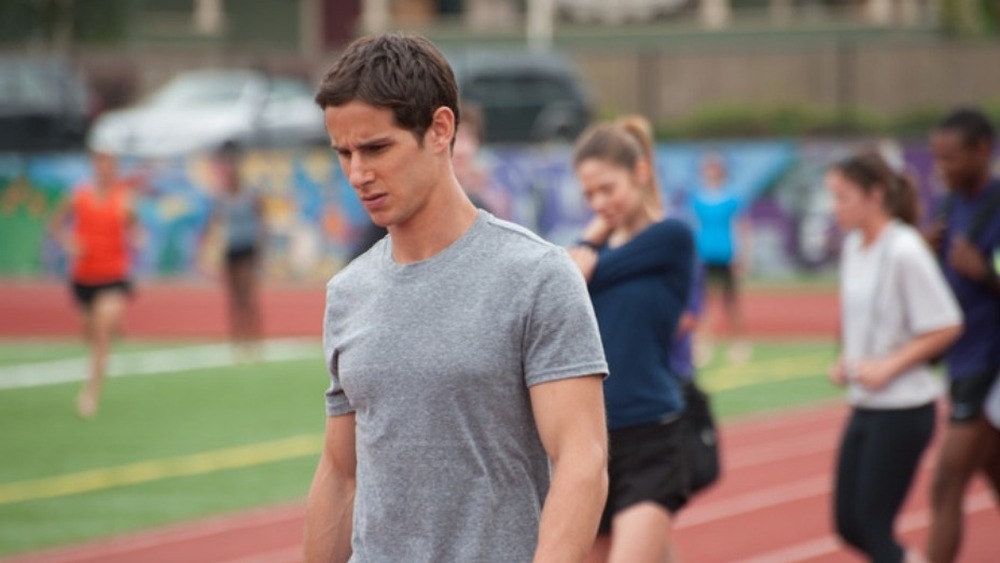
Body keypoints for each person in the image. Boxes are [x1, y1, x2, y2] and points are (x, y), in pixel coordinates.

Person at [303, 32, 610, 563]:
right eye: (344, 153)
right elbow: (339, 473)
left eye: (376, 148)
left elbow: (582, 461)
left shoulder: (537, 276)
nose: (358, 174)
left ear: (441, 129)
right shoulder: (347, 293)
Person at [825, 150, 962, 563]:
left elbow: (947, 324)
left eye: (844, 197)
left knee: (872, 525)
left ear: (875, 195)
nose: (836, 209)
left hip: (905, 407)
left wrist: (888, 366)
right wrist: (847, 360)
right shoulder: (853, 247)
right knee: (848, 523)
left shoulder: (905, 249)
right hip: (865, 403)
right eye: (833, 197)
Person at [568, 115, 694, 563]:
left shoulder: (670, 239)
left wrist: (586, 252)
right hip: (592, 442)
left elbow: (577, 274)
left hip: (651, 433)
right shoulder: (593, 251)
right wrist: (590, 242)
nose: (599, 202)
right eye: (589, 195)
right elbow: (567, 279)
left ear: (640, 172)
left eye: (608, 188)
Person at [922, 108, 1000, 563]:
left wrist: (986, 274)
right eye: (937, 158)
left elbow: (982, 274)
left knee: (947, 480)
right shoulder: (948, 206)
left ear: (982, 150)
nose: (942, 168)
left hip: (992, 361)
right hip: (963, 356)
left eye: (951, 158)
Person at [49, 149, 141, 418]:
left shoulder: (124, 200)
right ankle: (113, 328)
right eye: (100, 163)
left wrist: (137, 237)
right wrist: (68, 242)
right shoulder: (79, 196)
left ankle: (91, 392)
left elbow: (136, 229)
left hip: (113, 276)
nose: (105, 169)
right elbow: (55, 224)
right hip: (84, 276)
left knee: (101, 335)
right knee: (88, 333)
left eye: (110, 164)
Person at [346, 100, 498, 261]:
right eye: (456, 138)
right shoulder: (402, 208)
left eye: (469, 138)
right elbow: (356, 266)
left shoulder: (481, 210)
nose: (462, 150)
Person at [201, 147, 266, 360]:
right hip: (231, 248)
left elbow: (261, 221)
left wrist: (261, 246)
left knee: (248, 295)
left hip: (248, 247)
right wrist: (206, 246)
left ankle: (255, 338)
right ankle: (238, 339)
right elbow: (214, 221)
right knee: (234, 296)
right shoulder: (222, 197)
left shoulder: (250, 194)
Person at [690, 151, 752, 365]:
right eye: (708, 169)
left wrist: (741, 254)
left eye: (714, 169)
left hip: (726, 255)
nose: (711, 173)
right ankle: (703, 344)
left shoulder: (732, 198)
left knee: (731, 302)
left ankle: (739, 344)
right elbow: (695, 226)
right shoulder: (698, 198)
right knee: (703, 303)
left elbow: (740, 227)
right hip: (704, 256)